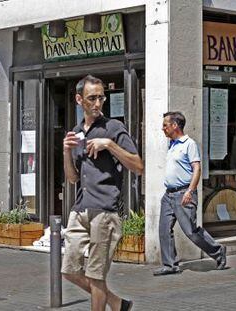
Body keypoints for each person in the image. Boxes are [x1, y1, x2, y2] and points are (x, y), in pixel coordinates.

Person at [61, 75, 143, 311]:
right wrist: (66, 152)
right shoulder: (77, 132)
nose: (97, 103)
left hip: (105, 211)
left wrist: (109, 145)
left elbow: (138, 166)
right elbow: (72, 178)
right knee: (69, 270)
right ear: (79, 100)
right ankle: (116, 303)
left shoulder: (114, 128)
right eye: (91, 98)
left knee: (96, 275)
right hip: (80, 209)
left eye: (101, 97)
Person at [153, 111, 227, 276]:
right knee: (164, 229)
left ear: (175, 126)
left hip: (183, 193)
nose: (162, 128)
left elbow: (197, 169)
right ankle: (170, 264)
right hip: (169, 195)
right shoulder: (171, 144)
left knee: (190, 231)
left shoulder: (189, 144)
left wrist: (190, 191)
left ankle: (218, 251)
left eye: (165, 125)